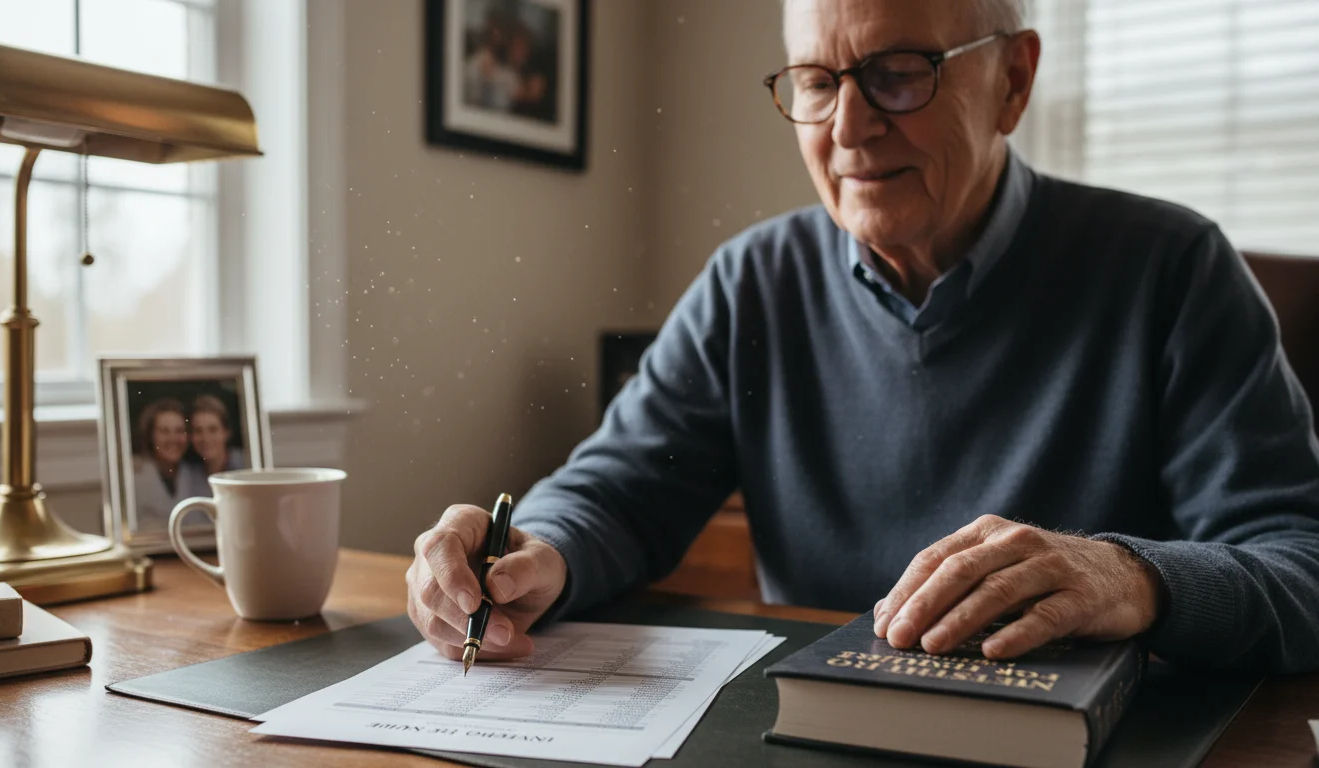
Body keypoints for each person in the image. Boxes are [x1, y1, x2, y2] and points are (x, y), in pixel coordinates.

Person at [407, 0, 1319, 674]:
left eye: (899, 72)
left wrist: (1128, 576)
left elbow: (1300, 565)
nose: (847, 127)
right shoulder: (750, 282)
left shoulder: (1174, 267)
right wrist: (532, 551)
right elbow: (617, 488)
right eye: (814, 81)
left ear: (1013, 81)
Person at [131, 398, 206, 533]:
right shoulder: (135, 475)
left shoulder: (194, 475)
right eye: (164, 431)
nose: (173, 439)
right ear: (150, 435)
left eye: (179, 431)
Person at [189, 394, 245, 487]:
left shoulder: (246, 463)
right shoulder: (190, 476)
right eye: (198, 431)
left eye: (213, 430)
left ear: (227, 432)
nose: (205, 438)